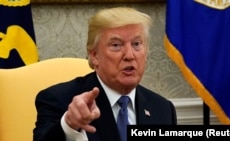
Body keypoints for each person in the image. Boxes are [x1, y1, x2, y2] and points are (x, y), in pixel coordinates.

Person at [33, 7, 177, 141]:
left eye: (137, 44)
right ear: (94, 55)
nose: (129, 55)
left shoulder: (162, 108)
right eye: (116, 45)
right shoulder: (59, 100)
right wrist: (69, 125)